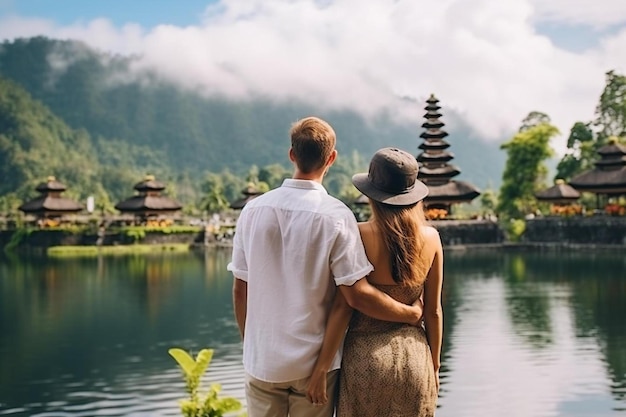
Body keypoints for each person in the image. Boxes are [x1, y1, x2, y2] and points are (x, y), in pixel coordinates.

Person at [228, 118, 424, 417]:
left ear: (291, 154)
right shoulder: (336, 216)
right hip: (315, 366)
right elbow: (354, 296)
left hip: (263, 362)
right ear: (331, 158)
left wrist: (253, 347)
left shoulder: (253, 211)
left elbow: (241, 290)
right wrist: (410, 313)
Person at [307, 147, 444, 417]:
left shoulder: (357, 235)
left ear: (371, 195)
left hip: (365, 360)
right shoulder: (432, 238)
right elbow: (434, 311)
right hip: (416, 360)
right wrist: (435, 366)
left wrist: (322, 367)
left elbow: (343, 307)